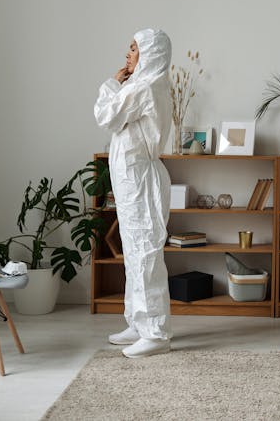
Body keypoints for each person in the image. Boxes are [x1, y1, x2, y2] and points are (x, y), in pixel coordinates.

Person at [93, 29, 173, 358]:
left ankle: (155, 332)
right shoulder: (142, 85)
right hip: (132, 182)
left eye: (134, 49)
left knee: (145, 256)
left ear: (150, 53)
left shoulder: (145, 86)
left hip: (140, 181)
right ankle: (138, 323)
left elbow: (106, 116)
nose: (128, 55)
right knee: (134, 255)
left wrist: (112, 83)